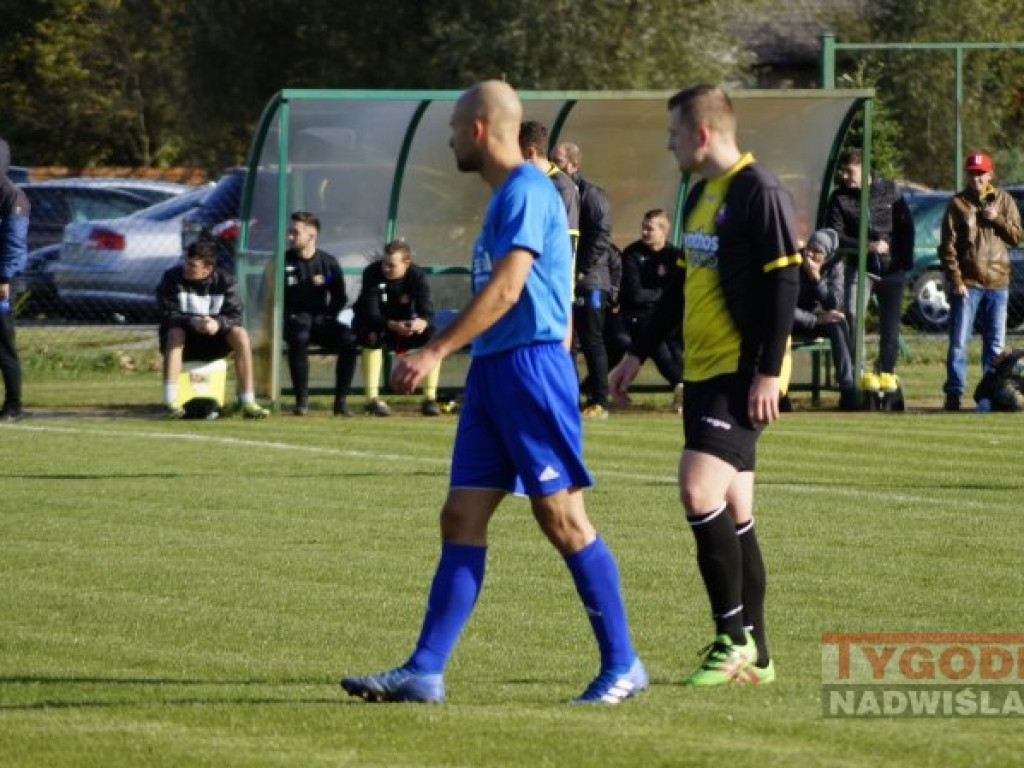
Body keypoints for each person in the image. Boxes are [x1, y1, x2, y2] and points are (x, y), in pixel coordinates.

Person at [341, 80, 646, 705]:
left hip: (528, 371)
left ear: (478, 129)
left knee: (561, 518)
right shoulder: (509, 196)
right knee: (461, 515)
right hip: (494, 371)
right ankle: (425, 670)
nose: (450, 138)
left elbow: (509, 291)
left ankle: (623, 664)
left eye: (454, 128)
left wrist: (433, 350)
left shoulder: (530, 192)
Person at [610, 84, 800, 686]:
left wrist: (768, 370)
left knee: (697, 491)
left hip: (742, 368)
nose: (668, 145)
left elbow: (785, 286)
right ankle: (761, 655)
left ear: (701, 133)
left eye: (672, 134)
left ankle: (733, 637)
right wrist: (635, 354)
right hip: (704, 369)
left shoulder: (758, 190)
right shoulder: (698, 194)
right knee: (735, 507)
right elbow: (680, 287)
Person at [824, 148, 914, 395]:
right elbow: (835, 235)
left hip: (892, 268)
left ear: (865, 170)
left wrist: (903, 260)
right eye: (843, 171)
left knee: (890, 326)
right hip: (861, 268)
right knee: (852, 312)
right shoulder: (839, 198)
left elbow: (906, 226)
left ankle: (886, 371)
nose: (845, 176)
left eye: (850, 171)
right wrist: (866, 246)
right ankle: (857, 371)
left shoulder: (889, 190)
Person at [939, 151, 1023, 411]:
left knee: (995, 345)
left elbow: (1017, 237)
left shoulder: (1004, 200)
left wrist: (996, 218)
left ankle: (991, 393)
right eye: (972, 173)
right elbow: (947, 248)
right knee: (959, 342)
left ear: (990, 174)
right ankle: (954, 393)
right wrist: (957, 280)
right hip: (969, 284)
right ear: (967, 175)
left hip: (998, 282)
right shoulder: (958, 204)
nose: (976, 178)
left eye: (981, 173)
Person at [157, 240, 270, 419]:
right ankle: (170, 402)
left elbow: (235, 316)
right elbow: (167, 313)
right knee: (175, 332)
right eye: (186, 261)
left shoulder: (226, 282)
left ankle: (248, 400)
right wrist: (192, 321)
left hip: (214, 342)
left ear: (208, 269)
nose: (186, 267)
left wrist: (217, 324)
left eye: (192, 265)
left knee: (240, 333)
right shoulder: (171, 278)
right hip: (183, 343)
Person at [551, 141, 614, 419]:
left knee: (592, 340)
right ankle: (569, 397)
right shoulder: (556, 191)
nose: (554, 166)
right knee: (568, 341)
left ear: (574, 165)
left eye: (559, 161)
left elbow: (601, 235)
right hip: (566, 278)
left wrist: (579, 269)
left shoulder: (590, 194)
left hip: (590, 279)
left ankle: (600, 399)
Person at [351, 239, 442, 417]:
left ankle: (430, 399)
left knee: (433, 337)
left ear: (406, 263)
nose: (385, 268)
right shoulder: (372, 273)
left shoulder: (417, 275)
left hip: (403, 327)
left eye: (391, 265)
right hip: (377, 324)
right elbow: (370, 313)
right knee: (372, 337)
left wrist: (420, 322)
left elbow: (427, 311)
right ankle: (372, 400)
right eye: (384, 263)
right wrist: (393, 325)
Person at [282, 211, 358, 416]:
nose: (289, 237)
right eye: (289, 232)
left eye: (294, 232)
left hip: (320, 320)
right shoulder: (282, 262)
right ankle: (302, 401)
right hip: (293, 322)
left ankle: (340, 402)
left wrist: (329, 315)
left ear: (311, 235)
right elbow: (269, 296)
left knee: (349, 339)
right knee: (299, 336)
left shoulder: (328, 263)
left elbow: (339, 296)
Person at [609, 209, 683, 394]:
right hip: (635, 317)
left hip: (667, 316)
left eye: (649, 229)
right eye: (643, 228)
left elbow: (680, 293)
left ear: (664, 231)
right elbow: (636, 295)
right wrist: (665, 295)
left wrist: (666, 298)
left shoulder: (675, 255)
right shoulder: (632, 254)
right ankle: (680, 384)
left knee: (675, 344)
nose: (644, 233)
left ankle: (685, 389)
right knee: (656, 341)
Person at [793, 228, 856, 410]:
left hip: (814, 319)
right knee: (777, 326)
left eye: (816, 251)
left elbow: (834, 302)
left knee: (838, 322)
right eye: (808, 248)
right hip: (791, 320)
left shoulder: (835, 266)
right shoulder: (794, 263)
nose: (809, 254)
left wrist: (816, 278)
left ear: (827, 256)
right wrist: (815, 319)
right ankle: (780, 394)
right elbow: (784, 307)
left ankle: (847, 389)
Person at [0, 137, 29, 421]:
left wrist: (4, 278)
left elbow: (14, 244)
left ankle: (13, 405)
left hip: (1, 282)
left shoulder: (11, 197)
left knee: (3, 342)